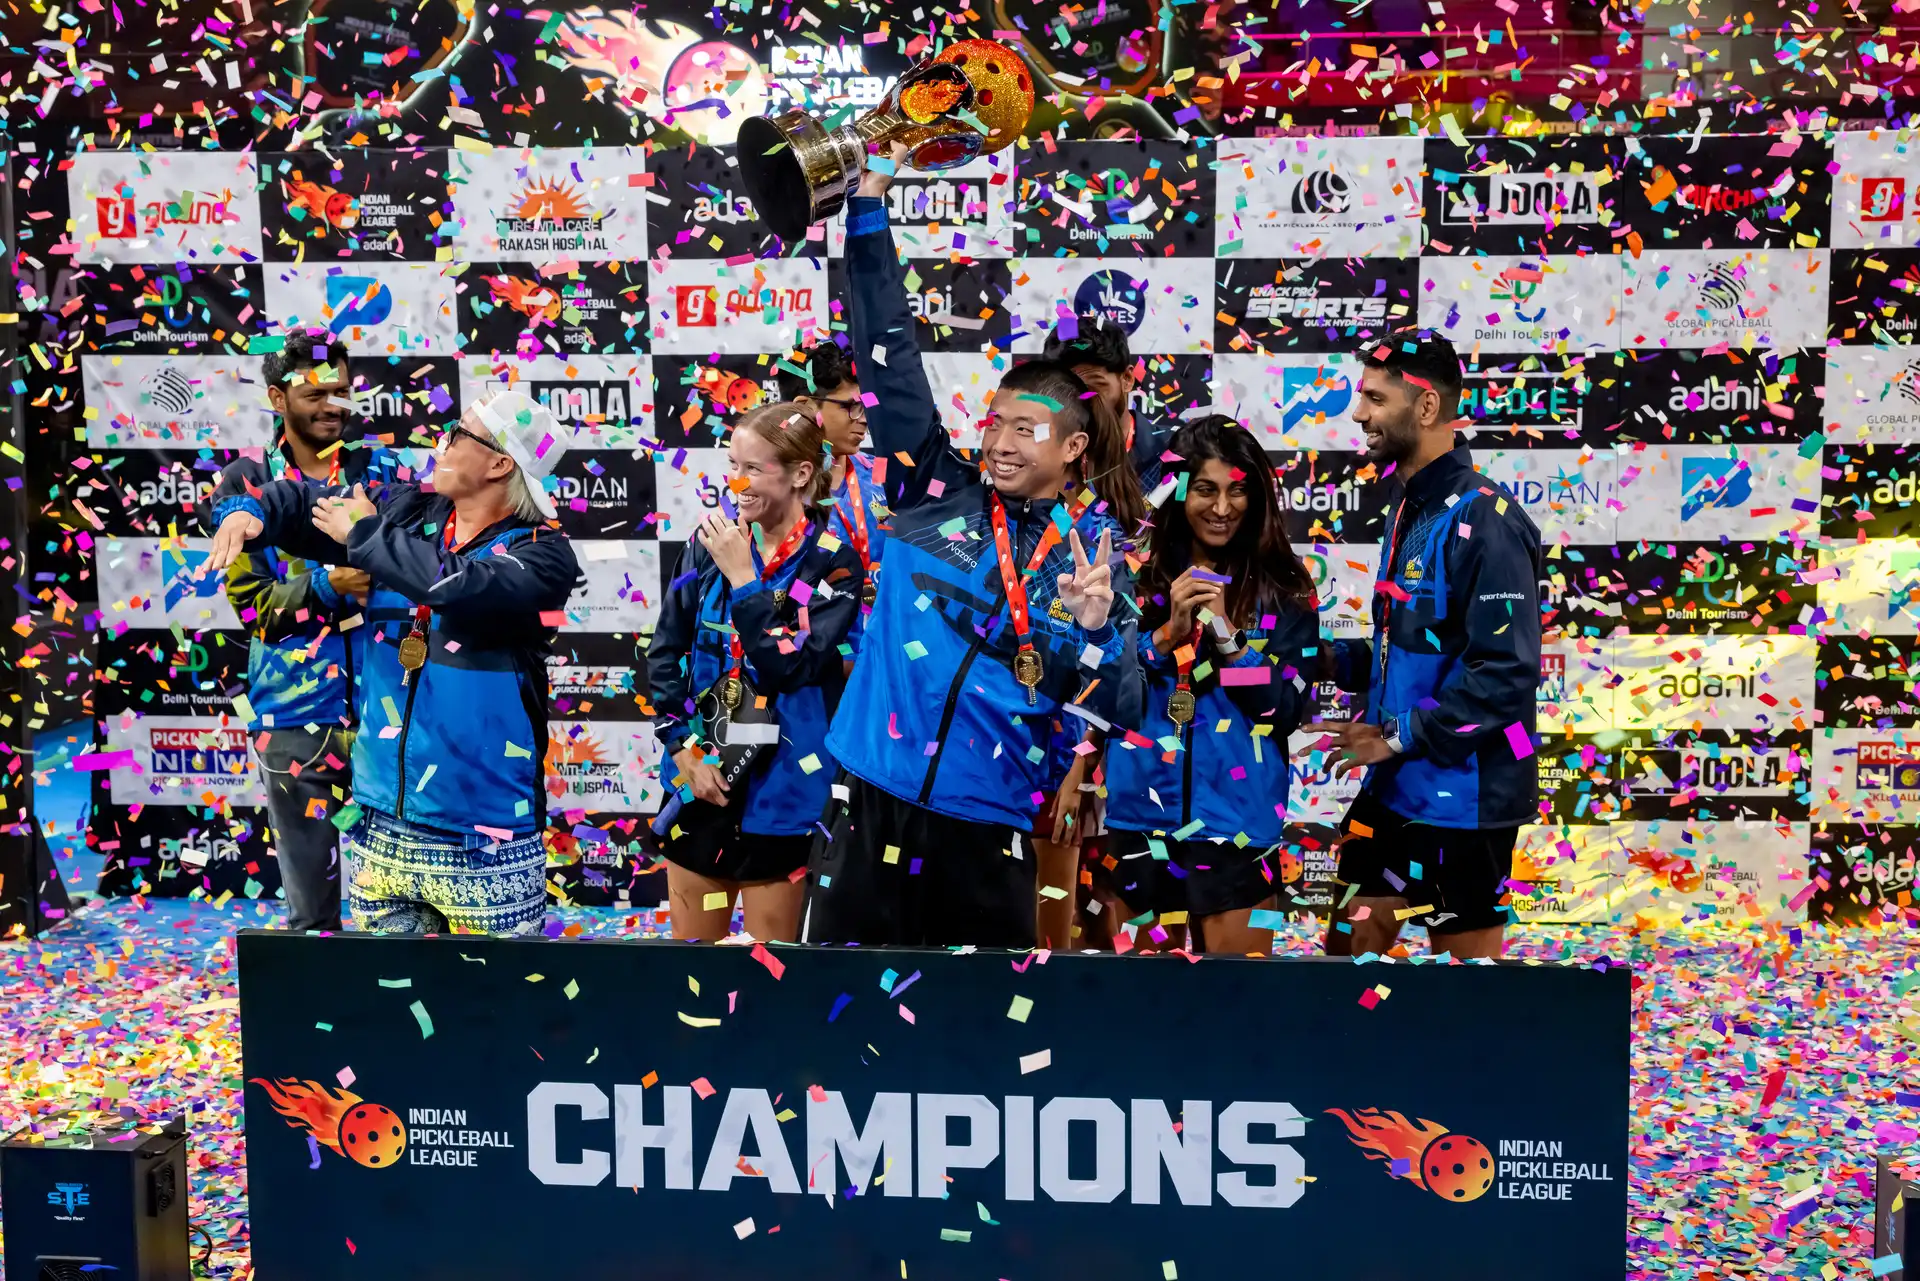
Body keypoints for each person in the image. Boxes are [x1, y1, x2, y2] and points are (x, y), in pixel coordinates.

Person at [802, 144, 1144, 950]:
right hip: (868, 796)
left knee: (972, 1024)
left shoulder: (1089, 559)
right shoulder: (933, 489)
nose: (1000, 442)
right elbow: (888, 353)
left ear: (1074, 449)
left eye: (1026, 428)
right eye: (994, 422)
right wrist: (869, 208)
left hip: (989, 825)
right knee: (835, 1010)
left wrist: (1097, 630)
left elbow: (1119, 706)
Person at [205, 390, 582, 936]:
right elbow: (304, 501)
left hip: (484, 836)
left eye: (458, 433)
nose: (441, 443)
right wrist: (247, 510)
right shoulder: (407, 511)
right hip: (382, 826)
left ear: (500, 465)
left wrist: (364, 533)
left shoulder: (544, 555)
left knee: (494, 991)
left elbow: (457, 584)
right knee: (392, 990)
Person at [1319, 330, 1542, 961]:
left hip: (1467, 802)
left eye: (1374, 398)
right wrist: (1318, 658)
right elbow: (1411, 645)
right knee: (1344, 966)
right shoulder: (1408, 505)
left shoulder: (1486, 517)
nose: (1358, 414)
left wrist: (1393, 737)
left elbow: (1506, 671)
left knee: (1468, 993)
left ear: (1425, 407)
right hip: (1396, 787)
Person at [645, 402, 865, 942]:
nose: (737, 483)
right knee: (693, 971)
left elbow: (792, 666)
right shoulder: (707, 544)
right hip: (702, 781)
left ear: (801, 474)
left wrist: (745, 580)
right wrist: (683, 751)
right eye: (732, 465)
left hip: (785, 797)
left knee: (774, 976)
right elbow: (664, 654)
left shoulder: (833, 562)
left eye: (753, 469)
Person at [1103, 414, 1320, 955]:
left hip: (1239, 829)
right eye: (1205, 489)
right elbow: (1100, 691)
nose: (1222, 508)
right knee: (1135, 999)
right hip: (1140, 820)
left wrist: (1228, 638)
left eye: (1237, 491)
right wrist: (1164, 637)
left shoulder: (1286, 586)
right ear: (1178, 491)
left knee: (1238, 1002)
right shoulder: (1133, 574)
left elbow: (1284, 711)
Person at [214, 331, 398, 932]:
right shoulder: (244, 484)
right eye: (315, 394)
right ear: (277, 398)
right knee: (311, 917)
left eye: (341, 391)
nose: (333, 405)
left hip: (390, 713)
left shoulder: (384, 471)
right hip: (293, 717)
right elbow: (253, 608)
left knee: (400, 907)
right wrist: (329, 585)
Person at [777, 340, 887, 663]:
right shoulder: (776, 497)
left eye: (866, 405)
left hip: (882, 664)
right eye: (851, 406)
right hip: (811, 670)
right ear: (806, 408)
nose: (864, 419)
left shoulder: (883, 478)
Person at [1044, 313, 1171, 492]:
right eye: (1067, 392)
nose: (1082, 401)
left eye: (1095, 387)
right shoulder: (1042, 457)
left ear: (1127, 379)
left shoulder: (1173, 451)